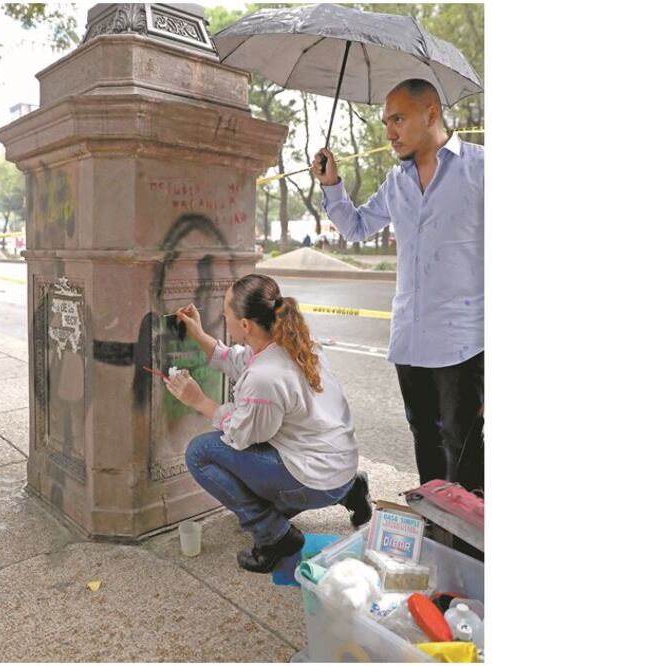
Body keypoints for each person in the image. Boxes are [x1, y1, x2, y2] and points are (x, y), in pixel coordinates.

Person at [311, 78, 484, 495]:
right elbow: (355, 227)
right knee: (425, 441)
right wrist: (331, 184)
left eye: (399, 119)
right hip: (409, 338)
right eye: (386, 121)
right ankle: (437, 530)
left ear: (431, 114)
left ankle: (475, 545)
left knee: (465, 449)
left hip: (465, 341)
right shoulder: (396, 182)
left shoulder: (481, 169)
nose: (389, 132)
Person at [163, 274, 372, 573]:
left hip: (317, 478)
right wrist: (197, 334)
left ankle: (275, 538)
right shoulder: (296, 343)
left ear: (245, 325)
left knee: (200, 452)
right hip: (340, 465)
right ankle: (351, 489)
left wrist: (199, 401)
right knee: (263, 485)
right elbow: (238, 359)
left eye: (226, 314)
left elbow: (243, 435)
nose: (224, 317)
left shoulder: (265, 376)